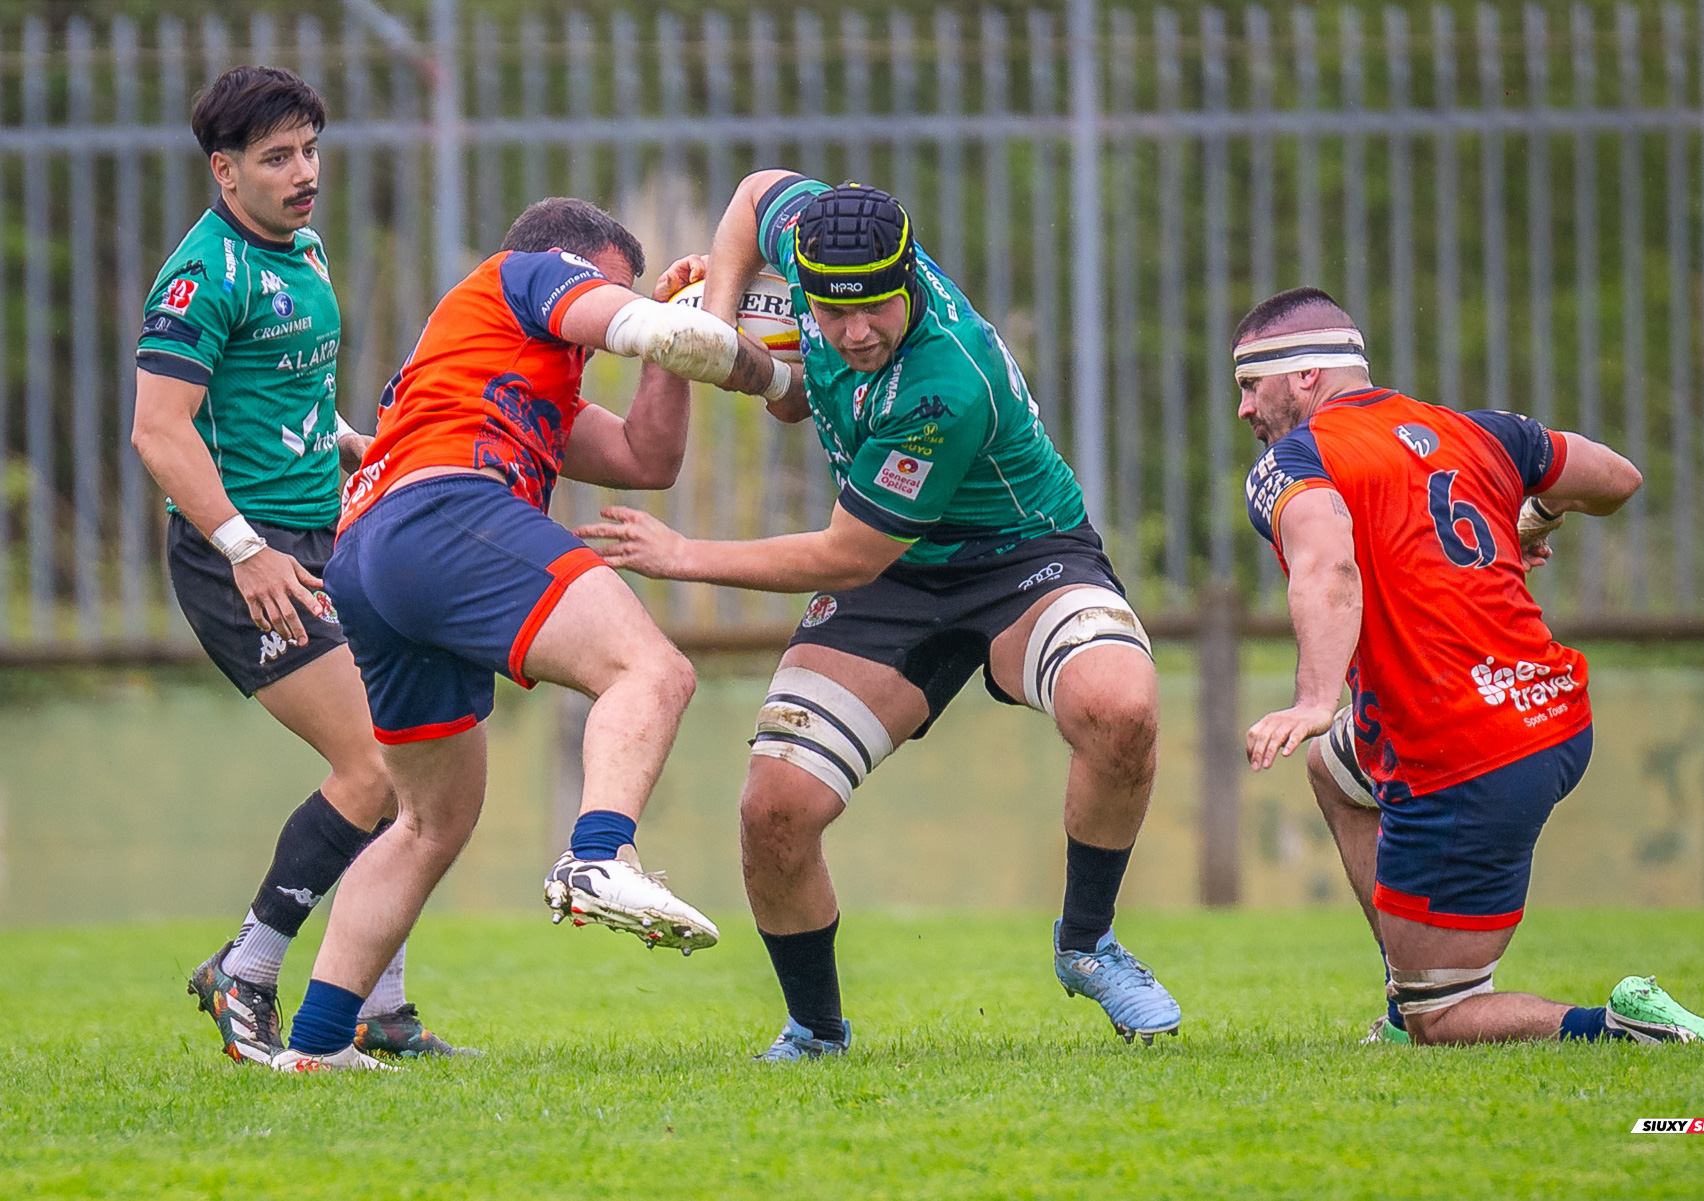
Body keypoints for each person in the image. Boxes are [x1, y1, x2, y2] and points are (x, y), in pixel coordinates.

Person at [588, 174, 1179, 1060]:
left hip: (1021, 556)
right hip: (897, 582)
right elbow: (754, 194)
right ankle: (817, 1031)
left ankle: (1088, 944)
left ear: (909, 279)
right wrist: (719, 320)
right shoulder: (813, 237)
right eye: (834, 313)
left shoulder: (946, 379)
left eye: (878, 311)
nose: (857, 330)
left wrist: (684, 555)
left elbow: (847, 555)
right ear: (808, 283)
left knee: (1121, 706)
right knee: (775, 811)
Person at [270, 195, 801, 1071]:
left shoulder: (504, 368)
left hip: (368, 555)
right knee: (652, 672)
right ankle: (599, 856)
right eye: (604, 294)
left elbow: (647, 461)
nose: (594, 337)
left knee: (429, 821)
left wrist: (667, 331)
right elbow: (644, 329)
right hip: (444, 513)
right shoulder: (525, 273)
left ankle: (319, 1044)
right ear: (570, 268)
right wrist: (777, 374)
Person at [1236, 286, 1704, 1047]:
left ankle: (1624, 1028)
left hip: (1462, 749)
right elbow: (1616, 477)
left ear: (1306, 376)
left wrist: (1314, 696)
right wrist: (1532, 517)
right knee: (1334, 767)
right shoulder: (1472, 431)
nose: (1245, 408)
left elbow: (1328, 566)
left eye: (1252, 384)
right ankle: (1405, 975)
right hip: (1553, 711)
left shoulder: (1297, 460)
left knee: (1440, 1018)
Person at [131, 65, 466, 1063]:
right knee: (375, 765)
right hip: (242, 556)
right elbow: (161, 431)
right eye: (277, 158)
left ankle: (380, 1008)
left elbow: (294, 400)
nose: (303, 173)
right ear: (224, 173)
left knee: (412, 768)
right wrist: (243, 550)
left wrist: (358, 447)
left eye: (310, 150)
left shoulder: (306, 251)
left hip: (324, 537)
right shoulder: (203, 276)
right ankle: (250, 972)